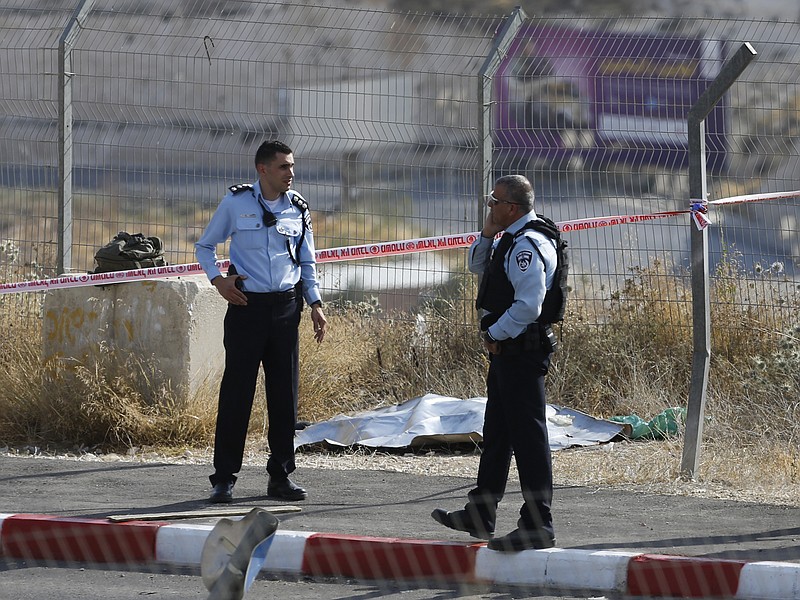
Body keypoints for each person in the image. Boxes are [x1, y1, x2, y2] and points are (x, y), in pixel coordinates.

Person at [195, 140, 328, 504]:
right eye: (284, 166)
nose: (291, 173)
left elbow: (307, 261)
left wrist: (314, 302)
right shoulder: (236, 203)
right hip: (246, 307)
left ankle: (281, 475)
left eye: (292, 166)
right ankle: (224, 478)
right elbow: (204, 246)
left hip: (285, 308)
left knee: (284, 396)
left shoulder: (298, 208)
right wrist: (218, 281)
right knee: (237, 393)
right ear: (263, 170)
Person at [431, 174, 558, 552]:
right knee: (498, 433)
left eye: (495, 201)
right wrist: (486, 231)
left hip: (520, 351)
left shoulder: (528, 246)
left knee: (529, 439)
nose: (490, 205)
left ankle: (538, 524)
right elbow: (477, 266)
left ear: (512, 207)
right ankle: (480, 512)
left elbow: (529, 305)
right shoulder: (510, 237)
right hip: (508, 351)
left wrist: (495, 334)